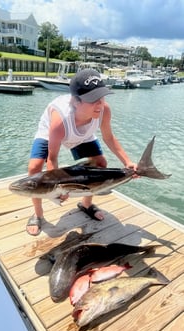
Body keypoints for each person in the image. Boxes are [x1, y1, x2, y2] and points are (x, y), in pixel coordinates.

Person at [26, 68, 137, 236]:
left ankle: (86, 204)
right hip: (51, 133)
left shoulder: (103, 110)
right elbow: (53, 157)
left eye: (101, 97)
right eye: (93, 100)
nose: (100, 104)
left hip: (83, 135)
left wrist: (127, 162)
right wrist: (56, 191)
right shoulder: (59, 120)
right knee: (34, 169)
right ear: (75, 101)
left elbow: (109, 137)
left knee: (100, 163)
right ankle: (38, 214)